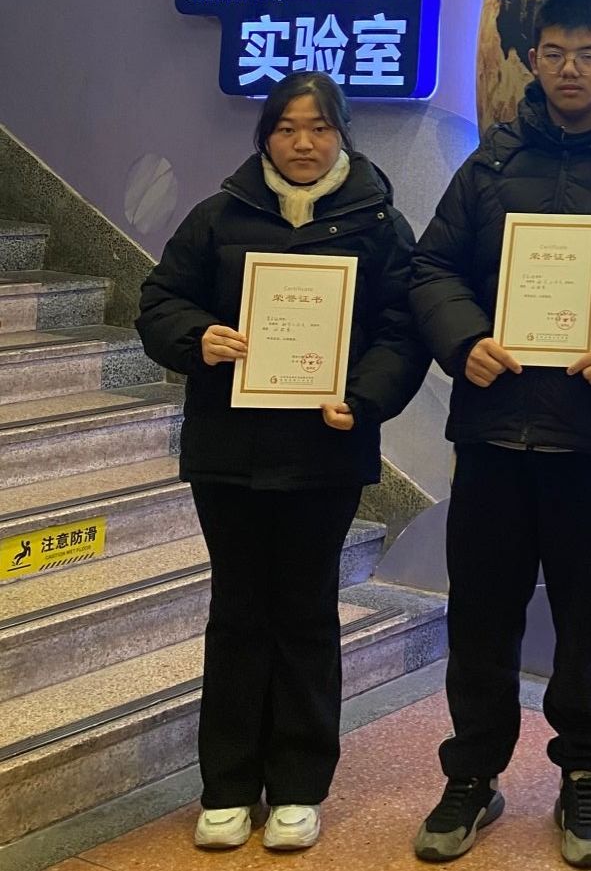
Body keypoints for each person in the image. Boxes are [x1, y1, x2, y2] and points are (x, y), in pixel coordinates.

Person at [408, 0, 591, 867]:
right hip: (494, 432)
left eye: (589, 53)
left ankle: (584, 773)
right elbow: (432, 266)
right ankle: (472, 773)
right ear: (533, 59)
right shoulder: (492, 163)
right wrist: (466, 340)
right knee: (480, 614)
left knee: (588, 621)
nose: (572, 69)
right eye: (557, 53)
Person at [136, 71, 428, 851]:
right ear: (265, 135)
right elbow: (159, 301)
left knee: (304, 611)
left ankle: (298, 784)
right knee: (237, 612)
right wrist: (198, 336)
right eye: (287, 127)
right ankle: (227, 786)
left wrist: (363, 397)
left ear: (343, 134)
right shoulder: (218, 215)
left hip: (325, 453)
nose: (303, 142)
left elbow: (404, 331)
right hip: (227, 453)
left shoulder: (379, 225)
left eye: (319, 127)